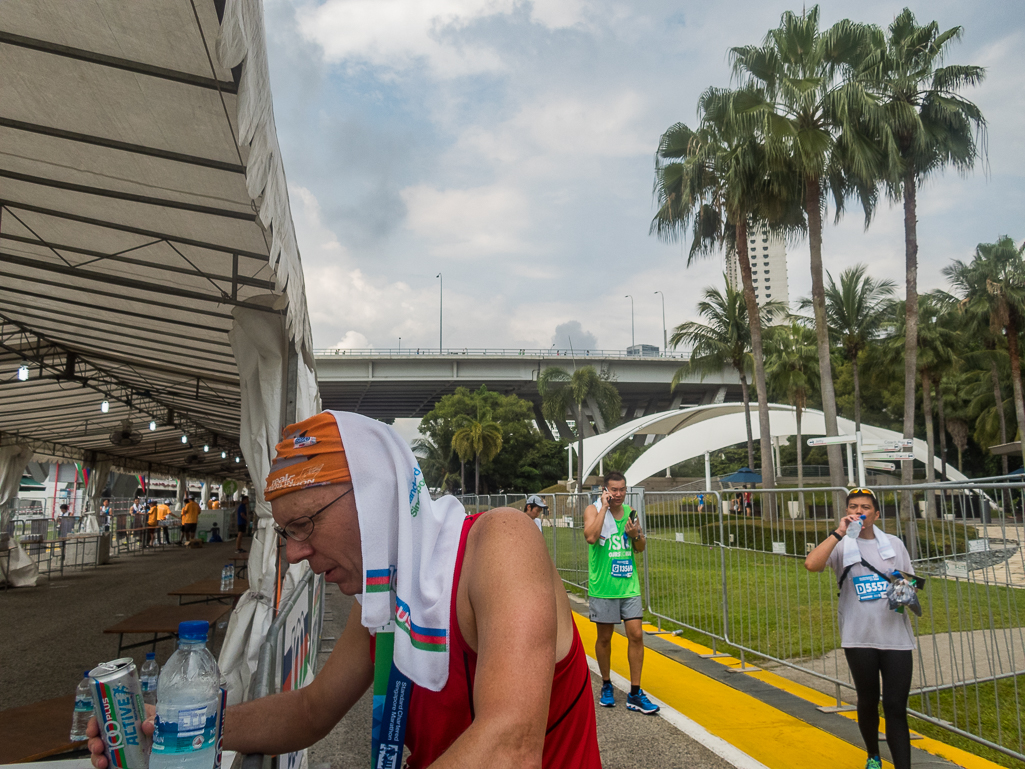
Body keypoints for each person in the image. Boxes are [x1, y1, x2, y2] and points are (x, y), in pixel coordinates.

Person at [86, 410, 600, 768]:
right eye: (287, 533)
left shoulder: (500, 543)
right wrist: (180, 726)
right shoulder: (388, 598)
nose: (294, 553)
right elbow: (312, 709)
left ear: (375, 497)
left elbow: (510, 748)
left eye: (305, 524)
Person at [805, 488, 917, 769]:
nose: (858, 511)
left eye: (865, 507)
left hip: (896, 638)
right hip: (859, 637)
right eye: (853, 507)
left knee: (895, 706)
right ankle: (873, 756)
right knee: (868, 700)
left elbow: (910, 583)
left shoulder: (894, 544)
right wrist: (839, 533)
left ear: (876, 514)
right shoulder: (841, 545)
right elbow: (812, 564)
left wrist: (904, 591)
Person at [582, 471, 659, 715]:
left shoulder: (630, 513)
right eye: (613, 490)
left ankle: (635, 692)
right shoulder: (593, 511)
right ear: (605, 491)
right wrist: (604, 508)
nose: (618, 494)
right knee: (605, 638)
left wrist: (635, 536)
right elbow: (591, 537)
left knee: (636, 635)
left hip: (628, 586)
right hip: (604, 588)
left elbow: (641, 547)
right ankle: (606, 684)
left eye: (622, 490)